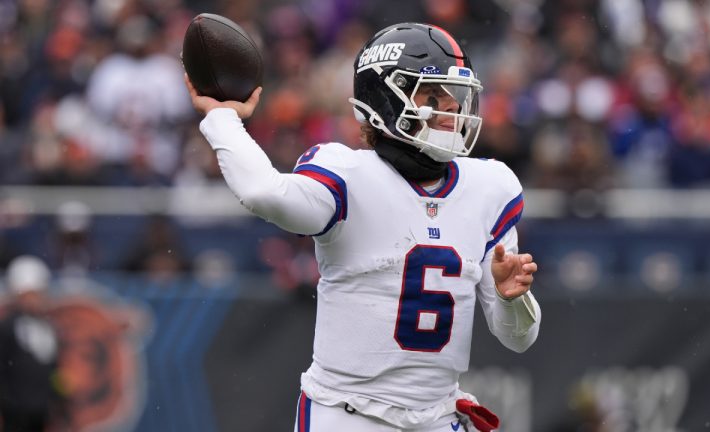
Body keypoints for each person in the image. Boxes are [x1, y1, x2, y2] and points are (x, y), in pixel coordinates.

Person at [186, 22, 541, 432]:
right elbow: (264, 193)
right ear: (384, 100)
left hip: (438, 418)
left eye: (456, 96)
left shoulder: (490, 187)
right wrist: (222, 117)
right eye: (432, 95)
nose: (451, 110)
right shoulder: (347, 175)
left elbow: (519, 338)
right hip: (348, 414)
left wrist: (512, 299)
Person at [0, 256, 66, 432]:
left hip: (41, 410)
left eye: (38, 294)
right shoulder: (7, 327)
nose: (35, 300)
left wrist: (58, 397)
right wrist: (8, 402)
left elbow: (53, 368)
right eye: (29, 295)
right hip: (15, 411)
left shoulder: (48, 327)